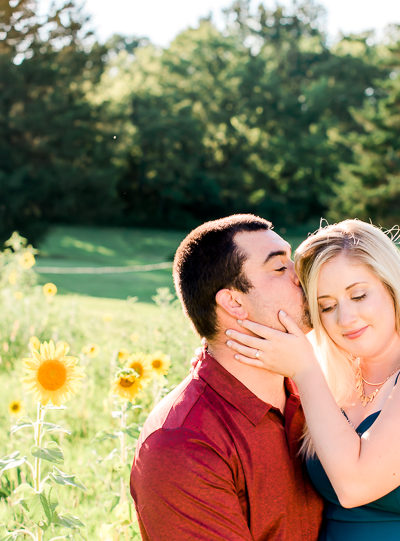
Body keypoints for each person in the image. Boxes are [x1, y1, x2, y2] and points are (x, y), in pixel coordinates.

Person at [130, 214, 323, 540]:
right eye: (280, 268)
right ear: (234, 302)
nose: (301, 274)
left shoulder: (316, 395)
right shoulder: (182, 444)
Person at [225, 219, 400, 540]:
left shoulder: (312, 376)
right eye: (327, 306)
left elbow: (354, 487)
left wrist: (305, 371)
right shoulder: (333, 377)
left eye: (359, 296)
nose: (346, 319)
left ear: (391, 285)